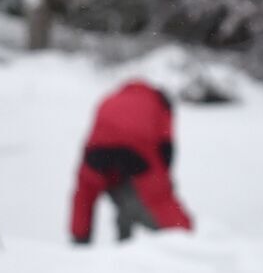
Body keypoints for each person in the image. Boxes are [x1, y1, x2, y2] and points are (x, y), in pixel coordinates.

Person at [69, 80, 194, 245]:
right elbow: (166, 146)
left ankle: (80, 245)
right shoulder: (160, 103)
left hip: (96, 154)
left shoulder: (109, 98)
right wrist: (163, 179)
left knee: (85, 193)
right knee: (159, 200)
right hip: (138, 154)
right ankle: (187, 243)